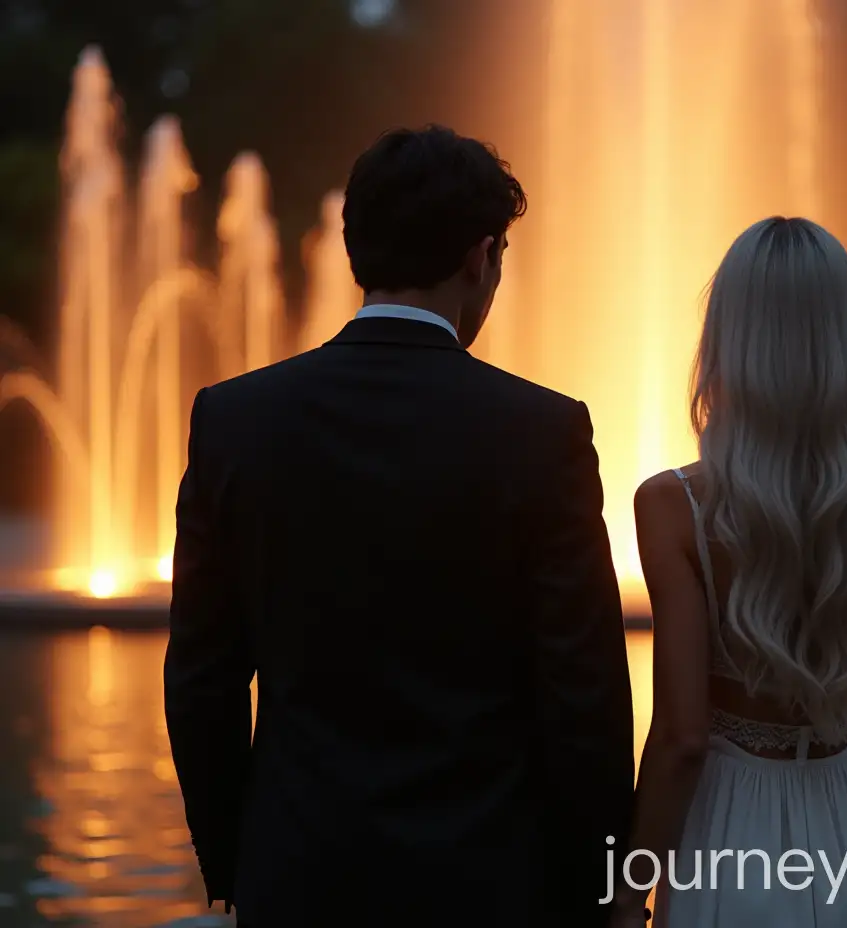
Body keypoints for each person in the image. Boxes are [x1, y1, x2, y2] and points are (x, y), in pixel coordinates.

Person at [163, 126, 635, 927]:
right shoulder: (542, 430)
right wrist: (601, 885)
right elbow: (583, 695)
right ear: (481, 257)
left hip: (298, 872)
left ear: (356, 249)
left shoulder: (236, 419)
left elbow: (202, 679)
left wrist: (234, 862)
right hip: (490, 879)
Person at [612, 217, 847, 926]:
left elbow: (679, 738)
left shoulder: (673, 507)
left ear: (729, 341)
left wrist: (626, 897)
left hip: (724, 833)